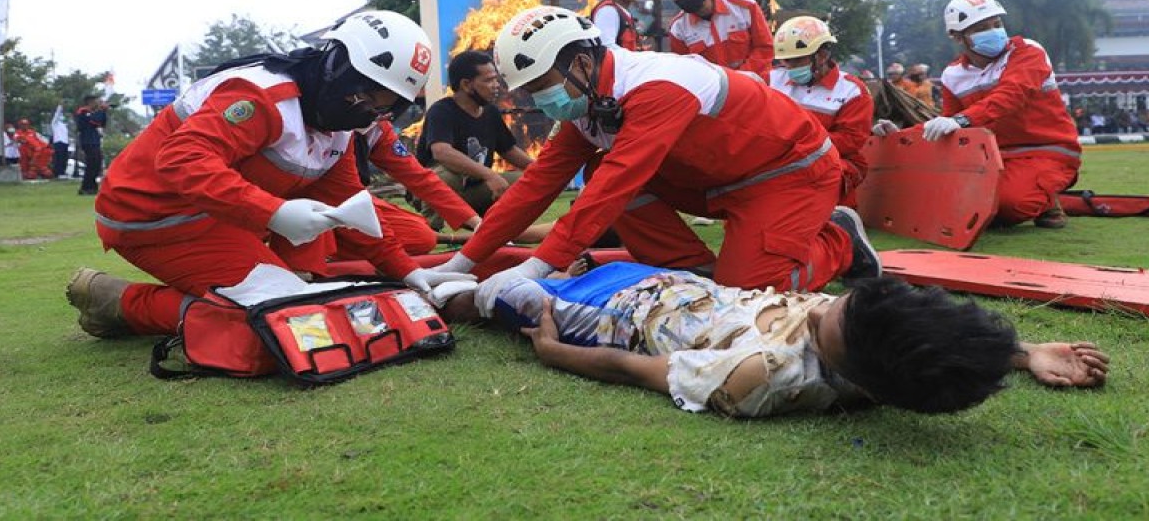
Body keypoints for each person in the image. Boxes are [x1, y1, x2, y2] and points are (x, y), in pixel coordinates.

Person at [65, 10, 476, 339]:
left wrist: (408, 271)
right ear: (339, 70)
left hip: (218, 217)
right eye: (367, 96)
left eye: (383, 106)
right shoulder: (263, 96)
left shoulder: (338, 128)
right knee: (277, 318)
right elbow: (182, 160)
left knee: (296, 308)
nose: (368, 113)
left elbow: (351, 208)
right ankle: (120, 302)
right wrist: (273, 212)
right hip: (153, 217)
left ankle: (174, 296)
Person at [430, 5, 879, 296]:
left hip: (790, 174)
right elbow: (536, 185)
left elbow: (612, 185)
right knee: (612, 179)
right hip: (719, 180)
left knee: (746, 294)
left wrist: (537, 268)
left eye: (544, 86)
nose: (542, 101)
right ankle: (697, 272)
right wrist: (462, 262)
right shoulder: (589, 103)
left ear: (583, 63)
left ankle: (840, 241)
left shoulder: (656, 86)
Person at [436, 262, 1109, 418]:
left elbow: (634, 368)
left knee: (506, 293)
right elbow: (937, 347)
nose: (818, 312)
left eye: (827, 325)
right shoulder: (882, 333)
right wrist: (1022, 354)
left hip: (615, 313)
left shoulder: (762, 377)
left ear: (863, 381)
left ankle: (432, 293)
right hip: (682, 283)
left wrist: (553, 353)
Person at [904, 0, 1081, 229]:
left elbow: (1010, 96)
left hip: (1046, 150)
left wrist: (962, 119)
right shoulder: (953, 75)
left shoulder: (1028, 52)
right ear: (958, 36)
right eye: (981, 27)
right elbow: (947, 120)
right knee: (954, 202)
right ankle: (1031, 190)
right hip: (993, 156)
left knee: (1008, 207)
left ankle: (1048, 198)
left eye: (997, 24)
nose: (994, 31)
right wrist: (899, 134)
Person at [415, 50, 534, 225]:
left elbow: (508, 149)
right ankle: (431, 231)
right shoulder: (441, 110)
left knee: (524, 182)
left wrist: (540, 171)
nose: (496, 85)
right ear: (466, 85)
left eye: (496, 79)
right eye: (488, 80)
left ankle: (502, 230)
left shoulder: (491, 112)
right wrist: (489, 175)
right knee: (443, 177)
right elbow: (441, 152)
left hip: (475, 188)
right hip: (439, 192)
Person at [767, 16, 874, 208]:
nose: (790, 68)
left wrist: (796, 147)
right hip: (781, 161)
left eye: (797, 60)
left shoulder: (851, 90)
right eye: (786, 61)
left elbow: (850, 141)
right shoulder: (771, 80)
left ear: (822, 55)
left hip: (833, 162)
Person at [353, 116, 481, 256]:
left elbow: (417, 176)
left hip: (354, 200)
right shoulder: (337, 129)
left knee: (421, 237)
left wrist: (476, 222)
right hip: (339, 200)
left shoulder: (378, 128)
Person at [663, 0, 773, 81]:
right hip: (716, 94)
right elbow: (686, 70)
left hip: (755, 84)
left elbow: (764, 47)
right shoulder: (679, 29)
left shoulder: (743, 6)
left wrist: (739, 79)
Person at [75, 94, 108, 195]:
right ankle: (86, 187)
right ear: (90, 102)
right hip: (88, 141)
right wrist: (101, 111)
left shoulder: (93, 113)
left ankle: (92, 187)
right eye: (95, 101)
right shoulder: (83, 111)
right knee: (91, 164)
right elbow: (94, 121)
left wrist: (104, 112)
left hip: (94, 140)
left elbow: (102, 123)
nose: (97, 103)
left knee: (96, 164)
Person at [50, 104, 72, 179]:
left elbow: (66, 135)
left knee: (64, 158)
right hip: (58, 142)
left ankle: (62, 172)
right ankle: (58, 173)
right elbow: (57, 115)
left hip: (65, 143)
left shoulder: (64, 125)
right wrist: (60, 107)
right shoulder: (54, 123)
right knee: (58, 158)